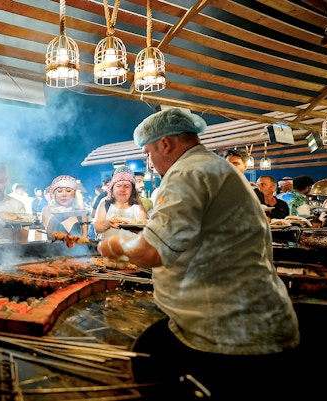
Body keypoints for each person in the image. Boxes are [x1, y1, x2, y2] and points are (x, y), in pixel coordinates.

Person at [97, 108, 300, 400]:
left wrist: (117, 244)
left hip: (231, 336)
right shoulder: (213, 167)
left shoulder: (188, 172)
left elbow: (154, 251)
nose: (150, 163)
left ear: (165, 144)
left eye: (149, 153)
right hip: (242, 324)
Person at [93, 166, 149, 240]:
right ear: (112, 188)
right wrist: (107, 224)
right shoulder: (105, 202)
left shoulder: (137, 204)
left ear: (132, 189)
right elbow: (97, 228)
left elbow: (145, 227)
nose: (122, 189)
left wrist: (139, 231)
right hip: (109, 248)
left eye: (127, 186)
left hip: (133, 249)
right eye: (118, 186)